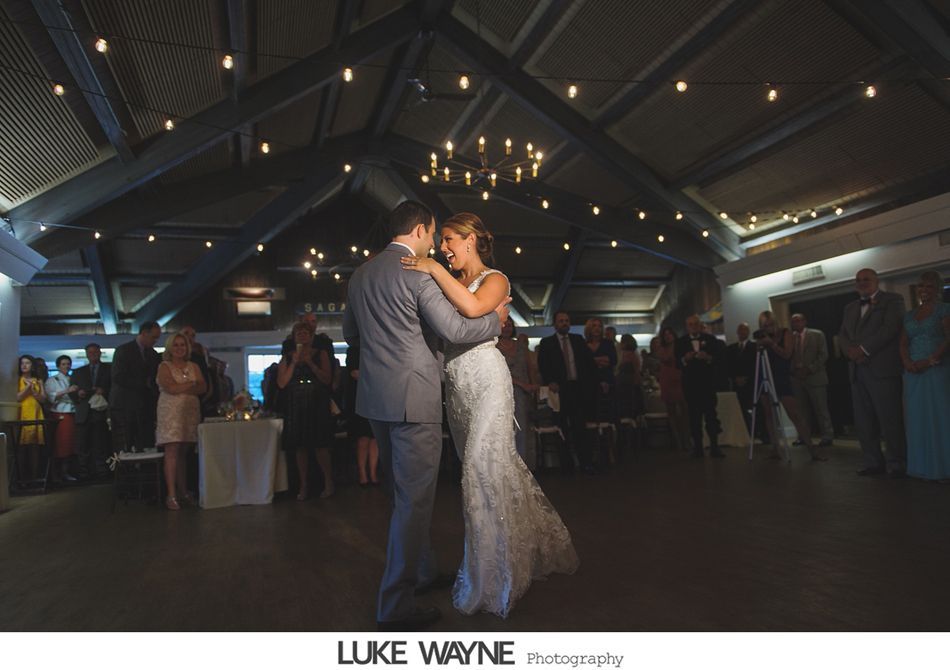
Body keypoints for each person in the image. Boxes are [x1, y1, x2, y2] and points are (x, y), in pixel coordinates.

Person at [400, 210, 579, 619]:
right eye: (440, 241)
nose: (443, 249)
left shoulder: (495, 279)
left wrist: (430, 267)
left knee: (480, 471)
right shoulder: (448, 283)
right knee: (493, 472)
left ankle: (496, 578)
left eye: (448, 240)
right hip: (457, 392)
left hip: (489, 383)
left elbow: (475, 306)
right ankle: (517, 553)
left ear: (470, 240)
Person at [343, 201, 508, 631]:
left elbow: (350, 335)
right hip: (414, 398)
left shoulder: (360, 274)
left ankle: (423, 569)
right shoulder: (416, 270)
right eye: (434, 234)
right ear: (419, 231)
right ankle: (395, 605)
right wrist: (496, 320)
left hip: (375, 400)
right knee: (414, 502)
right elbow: (456, 330)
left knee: (400, 496)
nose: (435, 243)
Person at [838, 268, 907, 477]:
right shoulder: (849, 307)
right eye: (858, 280)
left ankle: (897, 464)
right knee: (864, 422)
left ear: (876, 280)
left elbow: (890, 329)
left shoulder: (893, 300)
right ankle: (873, 463)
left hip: (882, 370)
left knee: (890, 420)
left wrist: (863, 349)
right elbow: (842, 334)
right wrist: (850, 352)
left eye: (866, 279)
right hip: (857, 371)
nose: (862, 283)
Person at [900, 271, 950, 481]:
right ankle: (924, 466)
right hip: (913, 372)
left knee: (940, 416)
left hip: (936, 369)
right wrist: (908, 363)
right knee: (917, 417)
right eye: (921, 286)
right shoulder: (909, 315)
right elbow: (903, 343)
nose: (924, 290)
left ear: (937, 289)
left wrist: (929, 360)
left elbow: (948, 339)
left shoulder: (944, 310)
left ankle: (944, 466)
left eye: (929, 286)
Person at [277, 321, 334, 501]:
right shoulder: (287, 357)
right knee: (300, 446)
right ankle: (303, 485)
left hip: (316, 401)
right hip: (296, 402)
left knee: (320, 445)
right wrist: (294, 362)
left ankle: (328, 482)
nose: (302, 336)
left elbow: (327, 379)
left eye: (305, 333)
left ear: (311, 336)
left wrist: (310, 363)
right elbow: (282, 383)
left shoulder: (321, 353)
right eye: (298, 333)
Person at [754, 311, 822, 460]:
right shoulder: (762, 337)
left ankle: (811, 448)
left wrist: (771, 344)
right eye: (765, 326)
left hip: (781, 377)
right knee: (769, 414)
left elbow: (787, 354)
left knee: (795, 414)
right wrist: (761, 344)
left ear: (775, 322)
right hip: (765, 375)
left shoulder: (786, 333)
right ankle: (775, 447)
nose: (769, 328)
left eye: (771, 324)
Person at [537, 310, 597, 474]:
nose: (565, 323)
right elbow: (543, 365)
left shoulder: (577, 340)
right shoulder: (547, 343)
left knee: (580, 426)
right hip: (559, 389)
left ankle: (585, 462)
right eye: (561, 321)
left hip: (577, 388)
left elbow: (587, 363)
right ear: (555, 324)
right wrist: (550, 381)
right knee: (561, 426)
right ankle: (566, 464)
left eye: (567, 320)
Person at [155, 332, 206, 511]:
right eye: (175, 345)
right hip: (170, 412)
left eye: (182, 345)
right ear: (170, 347)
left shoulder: (193, 365)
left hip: (189, 412)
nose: (179, 348)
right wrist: (191, 384)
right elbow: (170, 387)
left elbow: (202, 387)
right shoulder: (164, 366)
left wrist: (185, 387)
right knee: (172, 450)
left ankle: (183, 491)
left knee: (184, 451)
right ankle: (171, 494)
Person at [675, 315, 725, 458]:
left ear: (700, 324)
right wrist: (685, 359)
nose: (693, 326)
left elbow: (719, 360)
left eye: (696, 324)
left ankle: (715, 446)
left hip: (707, 384)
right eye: (690, 324)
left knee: (711, 415)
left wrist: (708, 358)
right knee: (694, 417)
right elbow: (677, 363)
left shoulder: (710, 340)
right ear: (687, 326)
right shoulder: (681, 342)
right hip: (690, 385)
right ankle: (698, 448)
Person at [110, 322, 162, 452]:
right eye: (153, 337)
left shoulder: (153, 354)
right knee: (125, 443)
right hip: (125, 404)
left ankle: (143, 469)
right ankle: (126, 469)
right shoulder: (123, 350)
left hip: (145, 406)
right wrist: (143, 383)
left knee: (145, 443)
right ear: (144, 333)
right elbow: (118, 376)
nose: (155, 341)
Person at [496, 316, 538, 466]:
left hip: (524, 392)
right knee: (507, 428)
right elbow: (499, 372)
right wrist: (521, 384)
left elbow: (530, 366)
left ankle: (524, 463)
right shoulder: (494, 346)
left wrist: (533, 385)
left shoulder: (520, 345)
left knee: (524, 427)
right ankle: (509, 465)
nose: (507, 328)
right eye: (504, 324)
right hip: (504, 391)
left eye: (509, 325)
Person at [790, 313, 834, 448]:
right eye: (794, 321)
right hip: (797, 379)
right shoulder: (790, 338)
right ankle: (803, 436)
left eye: (799, 320)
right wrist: (794, 371)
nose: (796, 323)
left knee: (821, 409)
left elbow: (823, 355)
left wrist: (809, 369)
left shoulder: (817, 334)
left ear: (804, 321)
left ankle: (827, 436)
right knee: (801, 411)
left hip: (815, 377)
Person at [70, 343, 112, 480]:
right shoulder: (78, 372)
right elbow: (72, 393)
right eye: (90, 352)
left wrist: (104, 391)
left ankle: (102, 472)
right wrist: (79, 394)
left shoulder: (109, 369)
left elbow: (115, 388)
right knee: (83, 445)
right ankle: (84, 473)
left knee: (101, 443)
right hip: (83, 412)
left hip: (101, 411)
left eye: (95, 352)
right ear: (86, 354)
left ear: (100, 353)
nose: (93, 354)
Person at [344, 344, 378, 486]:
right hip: (361, 397)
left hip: (377, 397)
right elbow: (354, 373)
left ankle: (373, 472)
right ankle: (363, 473)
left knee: (375, 438)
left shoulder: (377, 347)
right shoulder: (354, 349)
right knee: (363, 438)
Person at [654, 328, 690, 451]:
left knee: (684, 410)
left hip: (679, 377)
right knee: (672, 412)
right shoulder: (662, 348)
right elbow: (666, 358)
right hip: (668, 379)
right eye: (666, 334)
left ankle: (687, 439)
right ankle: (678, 441)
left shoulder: (681, 346)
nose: (668, 336)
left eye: (670, 333)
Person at [44, 355, 79, 482]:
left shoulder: (73, 378)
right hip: (60, 412)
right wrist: (67, 391)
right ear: (58, 366)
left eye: (68, 364)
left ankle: (67, 471)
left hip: (72, 412)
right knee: (60, 444)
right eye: (63, 364)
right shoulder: (52, 380)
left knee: (70, 444)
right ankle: (56, 474)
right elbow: (50, 396)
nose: (66, 366)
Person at [15, 355, 46, 481]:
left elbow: (43, 399)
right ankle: (22, 478)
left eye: (27, 363)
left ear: (32, 365)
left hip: (36, 412)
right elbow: (18, 398)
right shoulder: (17, 379)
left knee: (35, 447)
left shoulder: (38, 380)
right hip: (22, 412)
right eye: (22, 363)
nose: (24, 365)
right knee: (21, 447)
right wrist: (28, 388)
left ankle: (34, 478)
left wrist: (34, 391)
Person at [725, 322, 757, 434]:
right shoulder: (730, 349)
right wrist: (735, 378)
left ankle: (759, 433)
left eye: (745, 329)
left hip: (752, 383)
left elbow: (755, 365)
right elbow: (728, 366)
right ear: (737, 332)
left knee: (756, 408)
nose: (743, 332)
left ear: (748, 332)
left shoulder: (755, 347)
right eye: (741, 329)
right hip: (736, 385)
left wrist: (746, 378)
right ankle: (744, 433)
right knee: (739, 410)